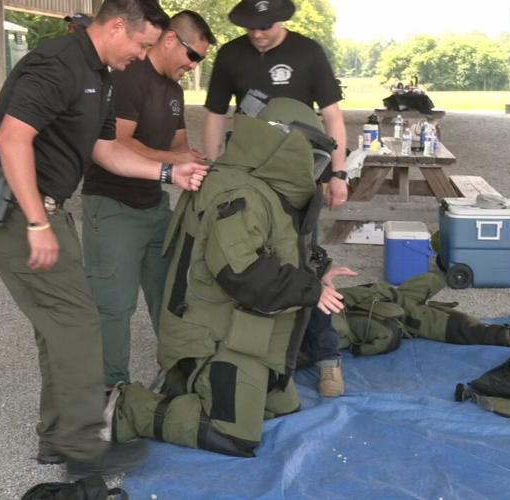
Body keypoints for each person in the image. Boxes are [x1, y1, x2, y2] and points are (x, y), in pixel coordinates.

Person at [0, 0, 207, 477]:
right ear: (117, 26)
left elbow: (109, 151)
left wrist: (167, 172)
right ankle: (83, 451)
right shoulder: (58, 63)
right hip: (15, 210)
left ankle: (58, 439)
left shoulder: (103, 78)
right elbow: (13, 137)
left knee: (58, 326)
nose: (143, 55)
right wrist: (37, 222)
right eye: (140, 44)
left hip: (40, 209)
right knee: (78, 322)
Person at [110, 97, 356, 457]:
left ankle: (204, 392)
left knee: (283, 408)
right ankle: (129, 404)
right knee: (234, 435)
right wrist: (310, 290)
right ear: (280, 144)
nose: (313, 169)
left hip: (247, 331)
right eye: (310, 155)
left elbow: (279, 251)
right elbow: (244, 275)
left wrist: (318, 272)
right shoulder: (238, 192)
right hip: (211, 338)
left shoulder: (263, 186)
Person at [202, 0, 350, 396]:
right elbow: (216, 115)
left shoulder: (308, 52)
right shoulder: (231, 55)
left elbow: (333, 116)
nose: (257, 33)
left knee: (305, 263)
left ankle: (327, 360)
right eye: (250, 27)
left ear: (281, 18)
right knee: (246, 263)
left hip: (297, 181)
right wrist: (215, 170)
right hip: (248, 178)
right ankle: (247, 355)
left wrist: (338, 172)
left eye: (265, 25)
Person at [81, 10, 215, 389]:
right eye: (194, 56)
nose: (194, 66)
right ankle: (112, 389)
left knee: (170, 294)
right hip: (113, 206)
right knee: (114, 304)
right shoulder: (128, 76)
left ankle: (176, 370)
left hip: (155, 205)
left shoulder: (173, 88)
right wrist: (177, 162)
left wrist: (198, 161)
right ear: (171, 39)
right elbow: (117, 143)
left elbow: (178, 145)